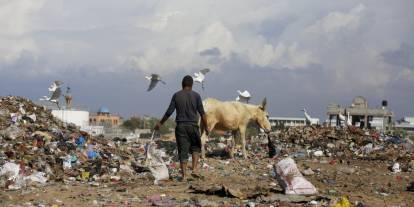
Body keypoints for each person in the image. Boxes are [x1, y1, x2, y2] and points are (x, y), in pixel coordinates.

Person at [154, 75, 209, 181]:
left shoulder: (176, 95)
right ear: (192, 85)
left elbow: (169, 111)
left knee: (183, 151)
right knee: (195, 148)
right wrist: (206, 127)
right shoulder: (196, 96)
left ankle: (184, 176)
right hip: (193, 125)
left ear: (182, 84)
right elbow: (203, 114)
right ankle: (194, 169)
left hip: (181, 126)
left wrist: (160, 123)